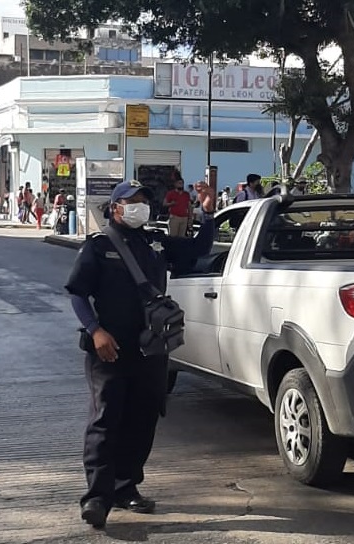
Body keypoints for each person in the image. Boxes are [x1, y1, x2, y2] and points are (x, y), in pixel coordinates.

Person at [65, 179, 216, 530]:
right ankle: (97, 497)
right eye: (131, 200)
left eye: (143, 200)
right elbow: (77, 293)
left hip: (151, 348)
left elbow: (199, 248)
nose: (138, 206)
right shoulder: (99, 247)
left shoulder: (156, 242)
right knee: (105, 421)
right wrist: (95, 330)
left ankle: (125, 487)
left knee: (143, 418)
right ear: (115, 208)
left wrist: (207, 212)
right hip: (110, 350)